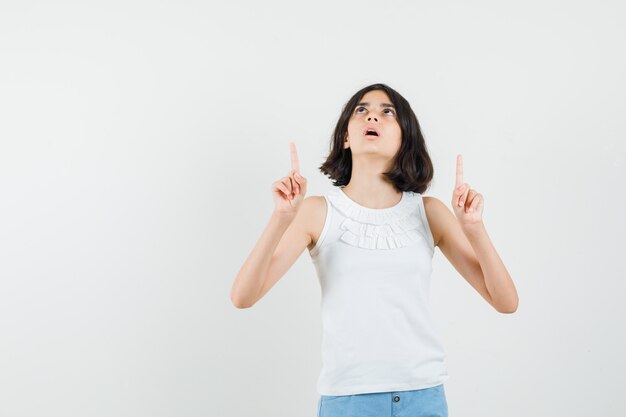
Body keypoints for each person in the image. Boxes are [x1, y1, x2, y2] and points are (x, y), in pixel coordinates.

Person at [230, 83, 519, 417]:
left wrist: (474, 228)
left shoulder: (430, 212)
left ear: (404, 138)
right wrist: (281, 218)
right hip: (348, 399)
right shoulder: (317, 211)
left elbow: (505, 301)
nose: (373, 117)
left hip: (422, 396)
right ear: (346, 137)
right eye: (362, 110)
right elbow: (243, 296)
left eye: (388, 112)